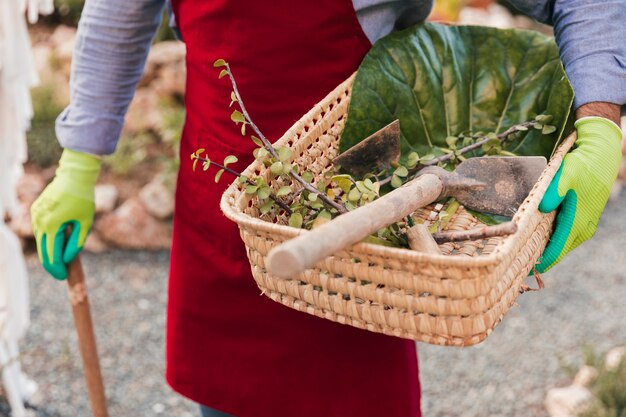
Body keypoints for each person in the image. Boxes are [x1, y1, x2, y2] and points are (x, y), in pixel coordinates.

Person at [31, 1, 625, 416]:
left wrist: (601, 126)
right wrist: (80, 160)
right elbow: (121, 11)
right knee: (225, 403)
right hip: (221, 207)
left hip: (358, 237)